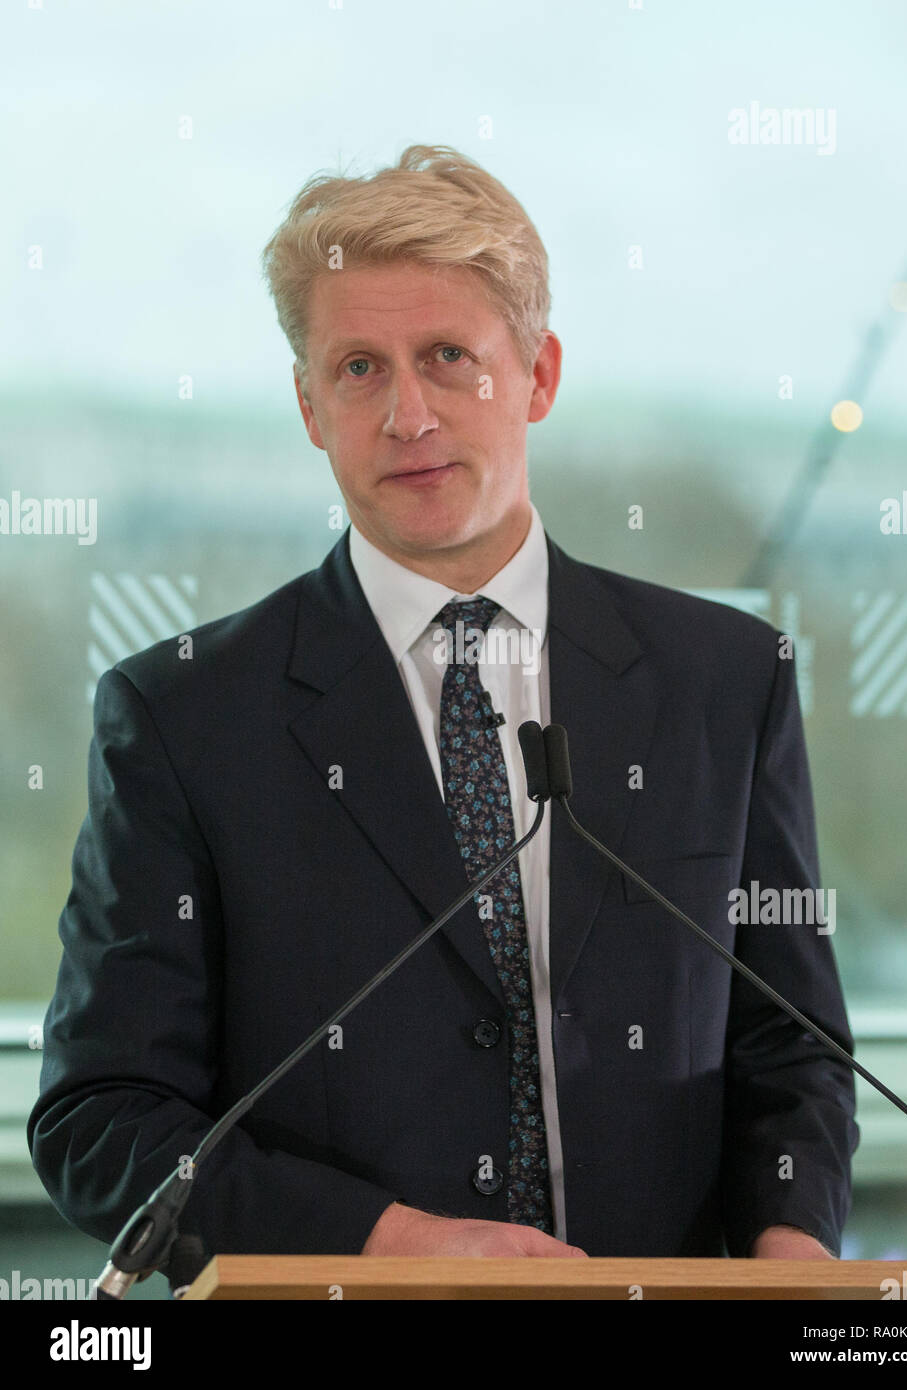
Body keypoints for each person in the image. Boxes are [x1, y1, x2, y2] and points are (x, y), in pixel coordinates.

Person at [28, 145, 858, 1266]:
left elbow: (792, 1050)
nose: (408, 413)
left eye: (448, 357)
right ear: (310, 405)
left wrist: (792, 1245)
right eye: (360, 367)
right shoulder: (180, 715)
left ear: (540, 374)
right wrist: (390, 1241)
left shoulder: (726, 678)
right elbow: (103, 1118)